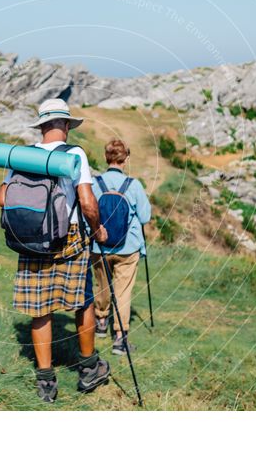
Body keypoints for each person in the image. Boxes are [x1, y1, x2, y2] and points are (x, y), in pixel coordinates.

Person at [0, 98, 111, 403]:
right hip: (68, 237)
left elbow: (2, 197)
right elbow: (87, 201)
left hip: (31, 236)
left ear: (42, 126)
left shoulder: (23, 156)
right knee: (82, 300)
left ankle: (46, 381)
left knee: (39, 308)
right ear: (66, 126)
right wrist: (98, 228)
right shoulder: (74, 154)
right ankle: (88, 368)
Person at [90, 139, 151, 355]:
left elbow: (86, 212)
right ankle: (119, 338)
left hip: (100, 246)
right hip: (128, 247)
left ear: (107, 158)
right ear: (125, 159)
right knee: (123, 292)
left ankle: (100, 322)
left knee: (102, 286)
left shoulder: (95, 183)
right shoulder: (133, 185)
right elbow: (145, 217)